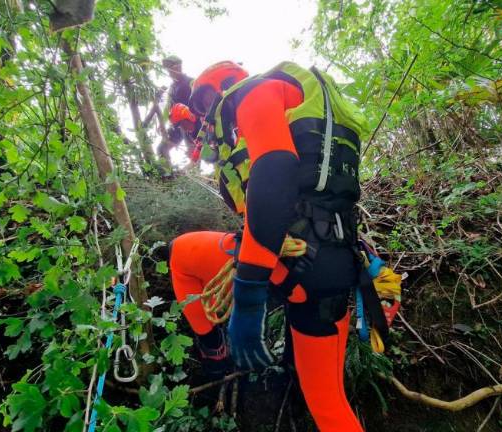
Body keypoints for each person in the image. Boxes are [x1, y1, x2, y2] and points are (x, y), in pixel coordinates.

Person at [169, 61, 369, 431]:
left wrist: (248, 296)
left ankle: (214, 354)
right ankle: (293, 369)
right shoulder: (301, 107)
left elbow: (275, 170)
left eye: (200, 107)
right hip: (336, 266)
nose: (202, 121)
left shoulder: (252, 93)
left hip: (292, 264)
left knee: (181, 253)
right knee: (329, 404)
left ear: (214, 91)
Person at [158, 56, 197, 163]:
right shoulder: (172, 88)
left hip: (192, 124)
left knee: (193, 153)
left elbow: (200, 102)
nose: (170, 71)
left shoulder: (191, 82)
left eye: (172, 67)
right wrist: (162, 123)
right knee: (162, 148)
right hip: (177, 125)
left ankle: (195, 173)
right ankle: (168, 175)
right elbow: (167, 106)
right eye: (168, 69)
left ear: (179, 66)